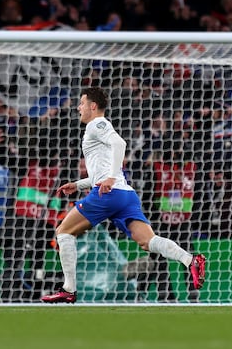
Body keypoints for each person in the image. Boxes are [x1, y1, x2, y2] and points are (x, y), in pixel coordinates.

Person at [41, 87, 206, 303]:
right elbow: (102, 173)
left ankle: (69, 289)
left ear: (93, 106)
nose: (78, 107)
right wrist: (79, 184)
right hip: (125, 194)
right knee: (148, 241)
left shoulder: (96, 124)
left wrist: (108, 179)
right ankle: (190, 260)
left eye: (82, 103)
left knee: (63, 232)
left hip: (108, 194)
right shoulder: (98, 129)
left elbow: (120, 144)